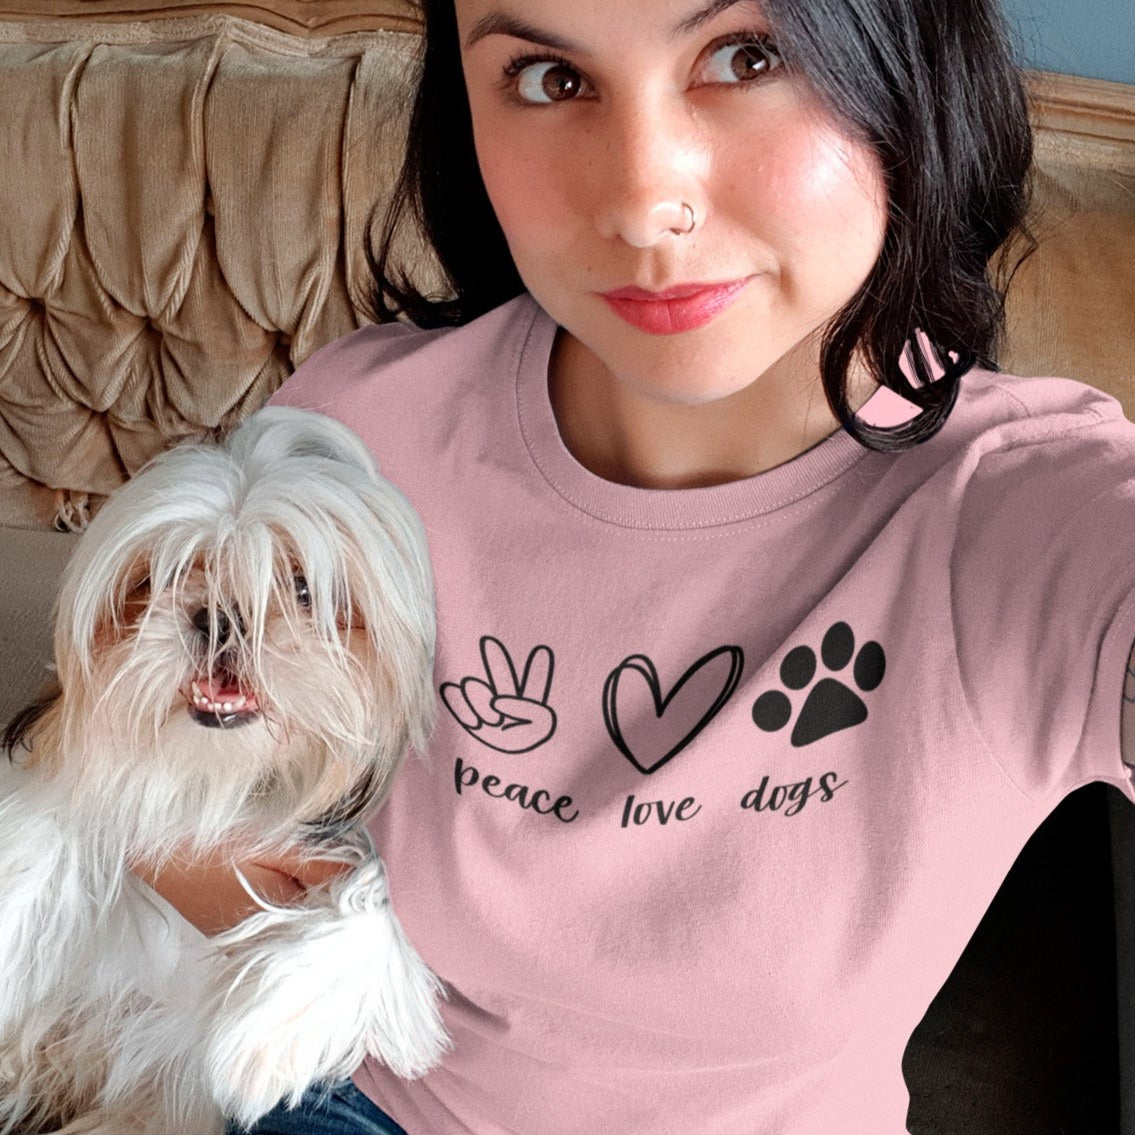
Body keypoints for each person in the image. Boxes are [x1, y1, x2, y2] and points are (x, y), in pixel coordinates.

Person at [140, 0, 1135, 1130]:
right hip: (354, 1098)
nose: (640, 202)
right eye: (549, 80)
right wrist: (317, 939)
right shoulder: (360, 426)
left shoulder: (1028, 509)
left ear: (904, 60)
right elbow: (121, 759)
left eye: (746, 57)